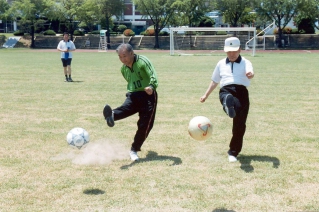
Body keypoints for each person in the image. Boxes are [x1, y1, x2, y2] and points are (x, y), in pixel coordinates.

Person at [200, 37, 254, 162]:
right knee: (227, 96)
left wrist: (250, 74)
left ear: (240, 49)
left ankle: (233, 152)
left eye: (234, 51)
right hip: (226, 90)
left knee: (240, 124)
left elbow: (250, 71)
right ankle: (227, 103)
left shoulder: (246, 62)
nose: (231, 54)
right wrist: (205, 95)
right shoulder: (220, 64)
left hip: (242, 93)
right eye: (229, 51)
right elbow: (215, 81)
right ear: (225, 51)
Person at [103, 43, 158, 161]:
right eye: (120, 57)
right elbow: (129, 81)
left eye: (124, 56)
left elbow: (153, 75)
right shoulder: (123, 69)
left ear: (132, 53)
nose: (122, 59)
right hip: (133, 94)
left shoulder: (143, 61)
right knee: (126, 108)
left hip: (148, 95)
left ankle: (134, 149)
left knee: (145, 125)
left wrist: (151, 86)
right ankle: (112, 115)